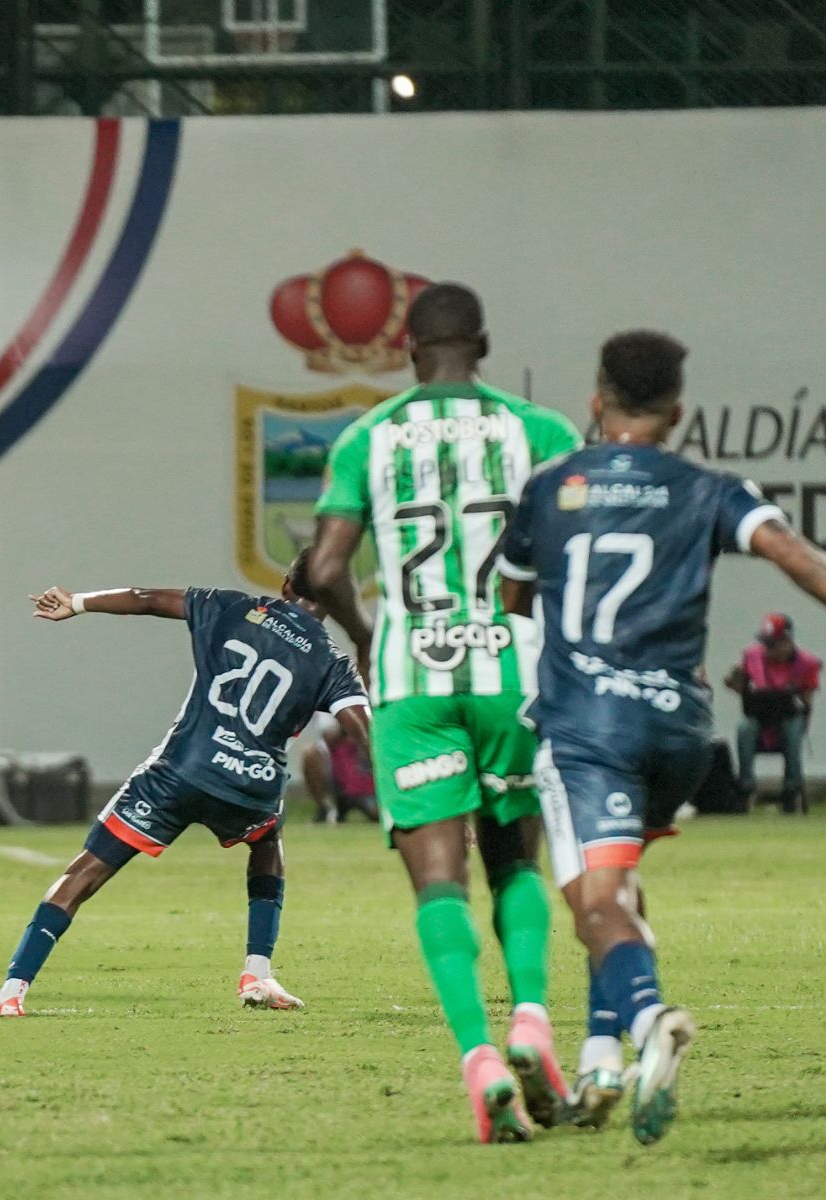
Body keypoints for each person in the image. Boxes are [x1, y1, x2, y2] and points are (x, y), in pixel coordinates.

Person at [497, 329, 826, 1145]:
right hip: (679, 731)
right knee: (614, 891)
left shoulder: (551, 487)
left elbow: (510, 603)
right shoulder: (709, 486)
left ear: (595, 399)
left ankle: (650, 1021)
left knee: (594, 902)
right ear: (679, 412)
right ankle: (599, 1060)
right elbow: (794, 554)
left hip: (589, 728)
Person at [307, 282, 582, 1144]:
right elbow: (574, 553)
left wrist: (363, 631)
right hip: (511, 667)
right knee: (514, 860)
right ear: (485, 343)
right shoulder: (541, 432)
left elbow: (322, 567)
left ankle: (481, 1062)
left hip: (410, 674)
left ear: (408, 349)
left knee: (437, 881)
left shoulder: (368, 436)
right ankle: (533, 1021)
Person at [0, 550, 370, 1017]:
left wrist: (77, 602)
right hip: (251, 785)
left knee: (87, 870)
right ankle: (258, 973)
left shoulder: (232, 606)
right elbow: (363, 730)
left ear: (284, 585)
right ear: (336, 604)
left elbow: (146, 599)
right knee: (267, 840)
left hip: (180, 771)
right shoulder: (332, 662)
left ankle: (12, 991)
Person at [724, 613, 821, 812]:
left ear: (786, 642)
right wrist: (735, 676)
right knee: (745, 727)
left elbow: (807, 703)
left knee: (793, 728)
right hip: (758, 717)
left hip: (788, 718)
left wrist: (804, 725)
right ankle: (746, 786)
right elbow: (736, 686)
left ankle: (791, 789)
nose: (767, 649)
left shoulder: (807, 663)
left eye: (772, 644)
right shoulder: (752, 656)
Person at [302, 713, 378, 824]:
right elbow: (329, 735)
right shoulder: (328, 700)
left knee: (376, 814)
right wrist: (350, 722)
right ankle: (326, 808)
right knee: (310, 753)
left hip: (365, 775)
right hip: (338, 775)